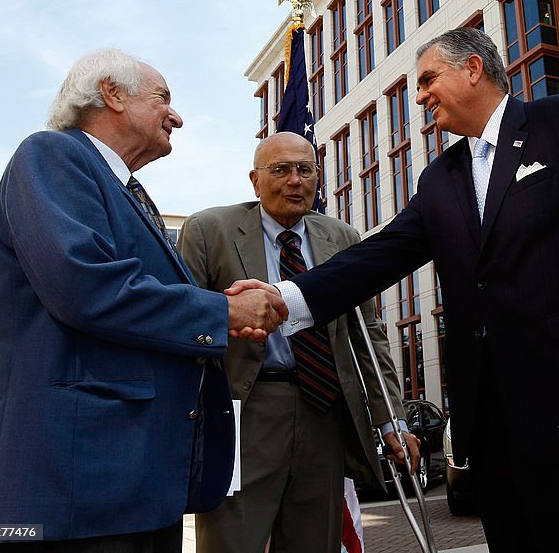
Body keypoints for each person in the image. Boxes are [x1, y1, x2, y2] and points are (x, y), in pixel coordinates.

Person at [230, 28, 559, 552]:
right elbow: (380, 255)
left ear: (474, 69)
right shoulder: (440, 178)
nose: (420, 95)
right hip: (494, 425)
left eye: (429, 79)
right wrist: (285, 299)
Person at [0, 49, 287, 552]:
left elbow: (126, 292)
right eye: (162, 98)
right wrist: (220, 312)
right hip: (72, 492)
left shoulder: (124, 191)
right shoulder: (50, 155)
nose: (176, 116)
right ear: (112, 94)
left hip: (126, 489)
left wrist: (213, 304)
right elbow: (86, 287)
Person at [177, 131, 419, 553]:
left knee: (315, 541)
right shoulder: (208, 230)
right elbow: (182, 323)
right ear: (255, 180)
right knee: (232, 542)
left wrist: (392, 419)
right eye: (281, 170)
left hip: (322, 409)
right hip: (241, 414)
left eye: (305, 170)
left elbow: (369, 336)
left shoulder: (341, 237)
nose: (295, 181)